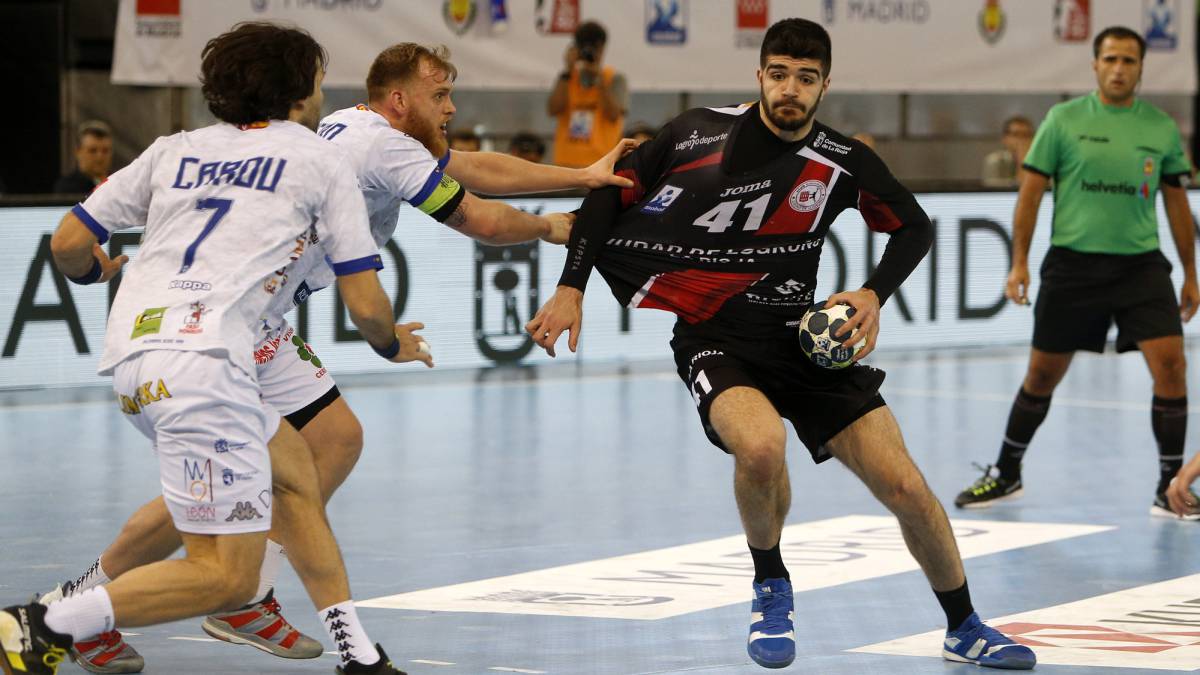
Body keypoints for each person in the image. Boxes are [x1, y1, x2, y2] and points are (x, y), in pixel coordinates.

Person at [37, 41, 636, 674]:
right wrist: (552, 227)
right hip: (230, 327)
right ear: (399, 101)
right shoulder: (374, 149)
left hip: (239, 322)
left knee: (333, 439)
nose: (453, 108)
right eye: (440, 97)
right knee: (235, 478)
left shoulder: (361, 130)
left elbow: (468, 166)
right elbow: (479, 219)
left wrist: (581, 175)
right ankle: (78, 610)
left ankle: (240, 599)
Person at [526, 17, 1036, 671]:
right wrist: (572, 287)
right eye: (779, 73)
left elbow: (913, 225)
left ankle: (963, 625)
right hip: (715, 337)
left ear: (824, 84)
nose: (790, 88)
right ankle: (771, 583)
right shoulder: (694, 134)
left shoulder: (842, 159)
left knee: (906, 485)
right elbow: (606, 196)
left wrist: (875, 292)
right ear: (759, 75)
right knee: (762, 445)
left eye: (806, 76)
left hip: (804, 339)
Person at [2, 23, 423, 675]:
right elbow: (367, 306)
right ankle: (48, 620)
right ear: (302, 91)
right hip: (207, 363)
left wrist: (94, 273)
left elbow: (64, 244)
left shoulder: (173, 149)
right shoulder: (319, 159)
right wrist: (392, 343)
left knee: (294, 475)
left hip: (138, 358)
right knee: (227, 577)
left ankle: (359, 656)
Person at [954, 26, 1200, 521]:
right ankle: (1007, 473)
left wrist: (1191, 273)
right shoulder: (1062, 121)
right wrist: (1019, 261)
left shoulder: (1160, 128)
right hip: (1073, 266)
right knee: (1042, 374)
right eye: (1110, 59)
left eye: (1129, 61)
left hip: (1141, 267)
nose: (1119, 68)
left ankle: (1169, 486)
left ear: (1140, 68)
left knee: (1172, 368)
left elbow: (1176, 205)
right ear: (1094, 65)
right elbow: (1029, 193)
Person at [547, 20, 628, 168]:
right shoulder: (567, 78)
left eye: (595, 48)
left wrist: (599, 79)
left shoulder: (614, 78)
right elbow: (553, 109)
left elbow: (614, 114)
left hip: (602, 163)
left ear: (602, 48)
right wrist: (567, 71)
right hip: (565, 163)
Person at [53, 121, 114, 194]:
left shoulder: (118, 183)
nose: (99, 156)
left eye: (105, 151)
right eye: (92, 151)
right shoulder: (66, 188)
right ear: (78, 152)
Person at [981, 116, 1034, 188]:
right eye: (1016, 135)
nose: (1021, 140)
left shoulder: (1041, 161)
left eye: (1026, 135)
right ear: (1005, 139)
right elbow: (993, 191)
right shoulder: (995, 160)